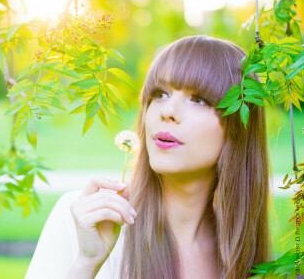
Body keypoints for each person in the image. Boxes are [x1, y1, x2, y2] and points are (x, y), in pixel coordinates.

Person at [25, 35, 272, 279]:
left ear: (240, 126)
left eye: (198, 100)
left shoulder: (242, 255)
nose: (168, 111)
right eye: (160, 94)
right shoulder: (85, 220)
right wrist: (86, 265)